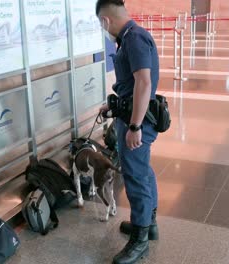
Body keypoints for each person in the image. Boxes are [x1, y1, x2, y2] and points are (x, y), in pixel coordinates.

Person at [96, 1, 160, 263]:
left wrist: (134, 126)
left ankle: (140, 240)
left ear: (105, 21)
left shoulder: (134, 38)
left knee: (135, 177)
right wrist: (114, 104)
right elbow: (132, 84)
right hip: (132, 114)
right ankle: (149, 224)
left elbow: (144, 83)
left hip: (138, 121)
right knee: (143, 170)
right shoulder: (131, 37)